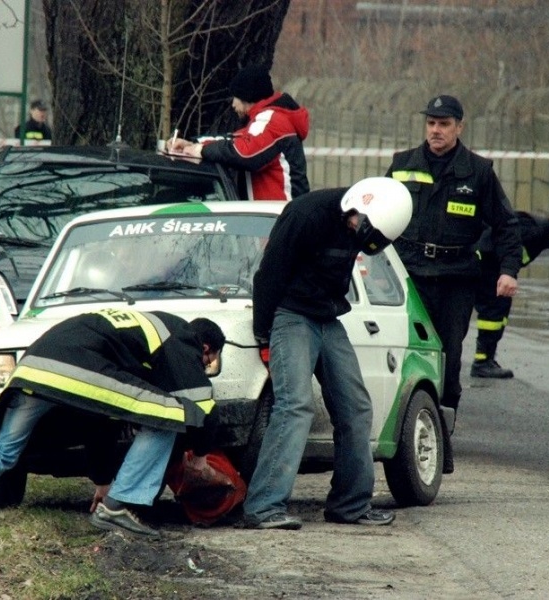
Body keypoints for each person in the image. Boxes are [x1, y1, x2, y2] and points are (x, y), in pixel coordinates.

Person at [0, 308, 225, 538]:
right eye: (208, 361)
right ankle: (120, 507)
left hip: (35, 367)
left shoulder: (135, 333)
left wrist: (102, 482)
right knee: (168, 415)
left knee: (3, 451)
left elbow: (100, 421)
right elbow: (202, 405)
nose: (205, 366)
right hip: (77, 367)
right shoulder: (182, 336)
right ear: (206, 347)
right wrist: (199, 460)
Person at [242, 176, 413, 530]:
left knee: (356, 407)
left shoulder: (368, 223)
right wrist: (264, 335)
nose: (359, 236)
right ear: (356, 206)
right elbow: (269, 275)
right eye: (361, 227)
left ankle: (350, 505)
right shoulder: (306, 214)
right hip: (290, 314)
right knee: (295, 406)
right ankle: (263, 507)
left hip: (328, 316)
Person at [386, 95, 522, 474]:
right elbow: (378, 214)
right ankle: (402, 434)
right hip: (410, 275)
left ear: (459, 127)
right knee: (407, 355)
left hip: (455, 278)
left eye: (444, 124)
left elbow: (506, 225)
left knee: (447, 359)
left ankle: (441, 440)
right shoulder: (402, 165)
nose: (436, 130)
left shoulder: (478, 172)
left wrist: (508, 270)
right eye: (431, 123)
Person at [167, 65, 310, 201]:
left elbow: (244, 153)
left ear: (248, 96)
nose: (233, 104)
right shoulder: (268, 120)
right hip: (276, 212)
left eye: (236, 97)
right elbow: (234, 140)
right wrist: (192, 144)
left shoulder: (272, 120)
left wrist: (200, 150)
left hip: (280, 213)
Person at [471, 210, 549, 378]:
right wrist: (505, 271)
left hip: (494, 268)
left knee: (501, 309)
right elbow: (505, 241)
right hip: (487, 264)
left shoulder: (542, 236)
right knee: (493, 311)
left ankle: (487, 359)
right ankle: (481, 362)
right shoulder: (535, 229)